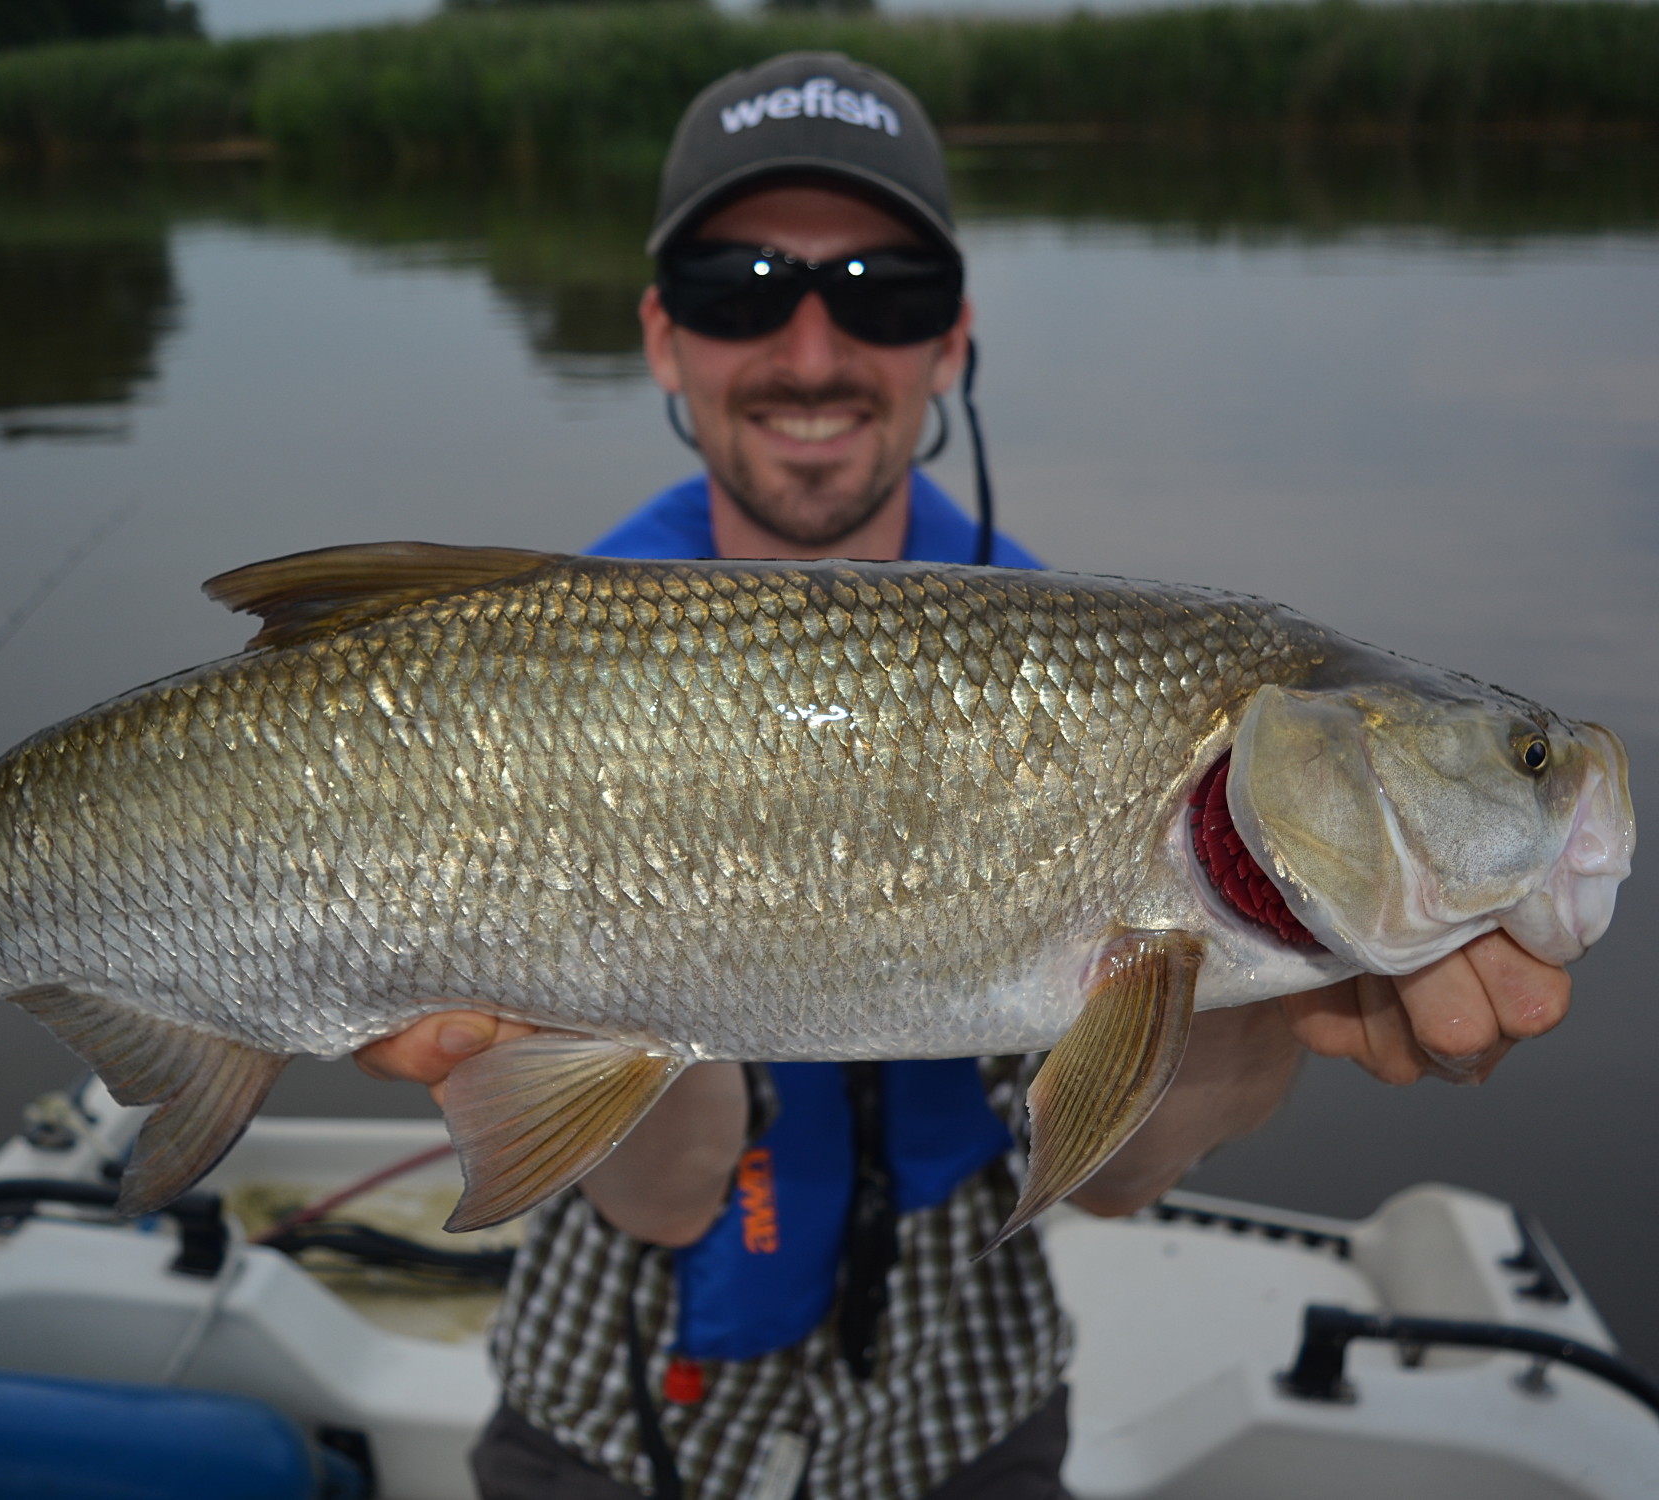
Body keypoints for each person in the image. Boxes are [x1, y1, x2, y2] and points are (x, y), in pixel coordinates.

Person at [358, 52, 1574, 1500]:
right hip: (615, 1375)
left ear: (954, 340)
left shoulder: (1107, 671)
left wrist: (1270, 975)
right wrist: (537, 989)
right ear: (661, 337)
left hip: (963, 1371)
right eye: (739, 288)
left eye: (884, 290)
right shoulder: (505, 680)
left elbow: (1116, 1177)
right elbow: (663, 1195)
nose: (811, 353)